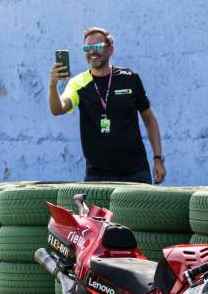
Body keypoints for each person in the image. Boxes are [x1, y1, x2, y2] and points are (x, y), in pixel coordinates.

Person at [48, 27, 165, 184]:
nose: (92, 52)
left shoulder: (130, 78)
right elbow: (57, 109)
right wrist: (52, 84)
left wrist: (157, 158)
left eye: (97, 47)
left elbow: (149, 120)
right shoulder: (78, 83)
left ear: (111, 49)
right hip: (97, 175)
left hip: (135, 172)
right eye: (87, 48)